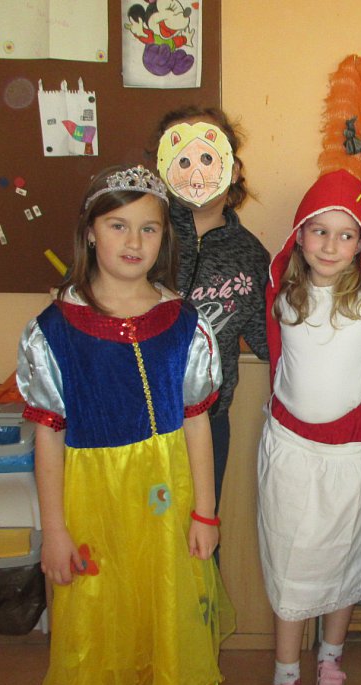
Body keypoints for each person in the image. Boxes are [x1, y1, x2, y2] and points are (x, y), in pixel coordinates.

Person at [17, 165, 235, 685]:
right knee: (100, 613)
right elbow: (48, 435)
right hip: (94, 502)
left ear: (164, 238)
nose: (134, 242)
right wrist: (54, 531)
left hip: (166, 500)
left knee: (163, 609)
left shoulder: (184, 322)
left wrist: (205, 513)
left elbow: (196, 421)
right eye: (118, 226)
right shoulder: (54, 329)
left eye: (148, 228)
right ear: (91, 232)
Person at [258, 170, 361, 685]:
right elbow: (277, 358)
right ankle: (285, 675)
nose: (330, 245)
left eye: (346, 235)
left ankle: (331, 663)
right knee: (289, 560)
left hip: (351, 455)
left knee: (342, 562)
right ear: (298, 234)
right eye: (319, 231)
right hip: (291, 450)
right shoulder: (283, 292)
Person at [154, 106, 270, 509]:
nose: (196, 173)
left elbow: (270, 341)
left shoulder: (250, 256)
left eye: (207, 155)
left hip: (209, 423)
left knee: (199, 534)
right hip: (132, 420)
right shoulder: (141, 235)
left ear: (234, 169)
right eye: (182, 158)